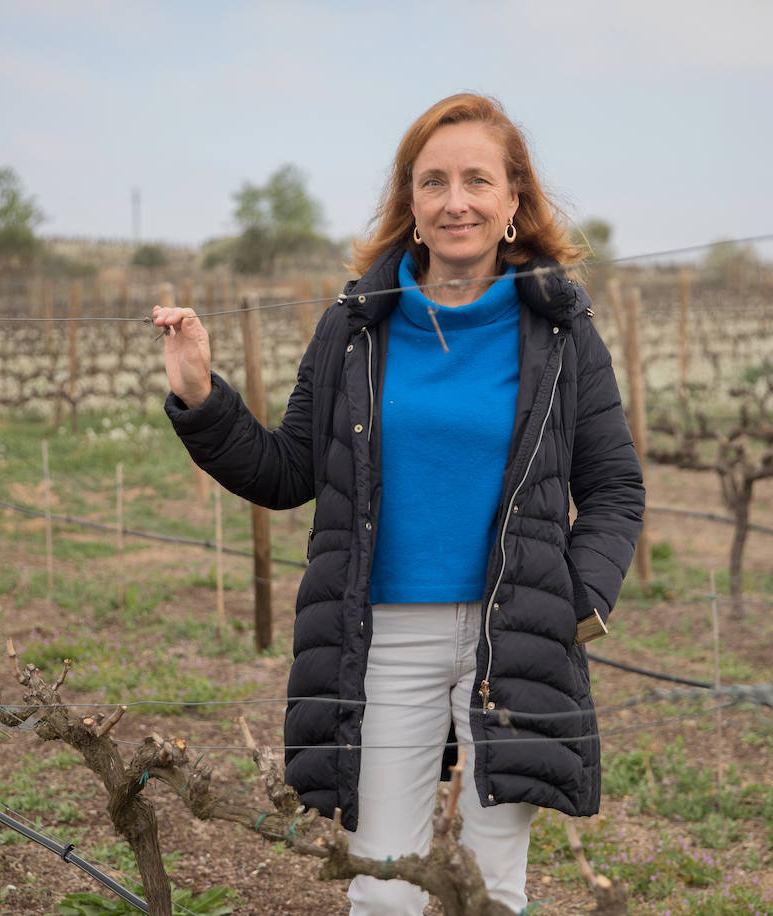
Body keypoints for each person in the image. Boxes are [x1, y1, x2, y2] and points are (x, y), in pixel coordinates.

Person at [154, 92, 644, 915]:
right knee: (382, 888)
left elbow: (614, 487)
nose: (457, 201)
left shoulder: (562, 336)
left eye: (479, 181)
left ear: (513, 201)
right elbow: (283, 472)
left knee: (489, 893)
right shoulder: (355, 329)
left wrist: (577, 600)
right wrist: (202, 396)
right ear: (410, 204)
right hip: (381, 639)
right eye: (434, 182)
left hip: (513, 638)